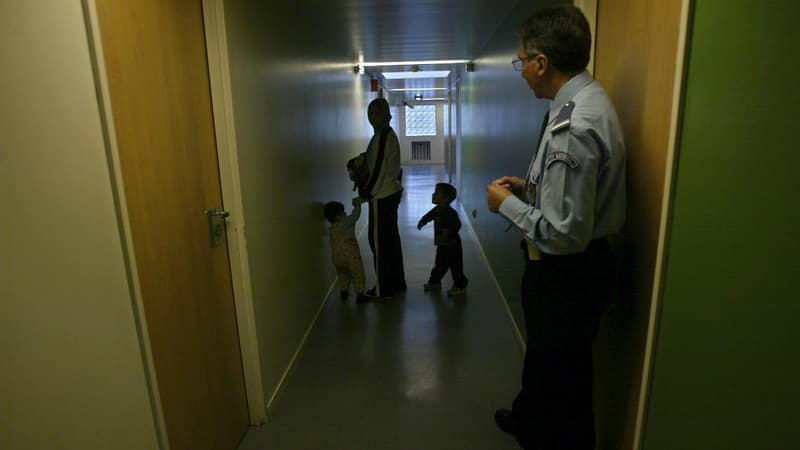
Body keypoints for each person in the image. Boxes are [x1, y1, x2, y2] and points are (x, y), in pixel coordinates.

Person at [486, 5, 626, 450]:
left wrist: (506, 206)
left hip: (566, 275)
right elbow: (575, 193)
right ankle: (528, 420)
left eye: (521, 60)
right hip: (577, 271)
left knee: (564, 386)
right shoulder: (589, 100)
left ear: (541, 62)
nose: (521, 70)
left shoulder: (573, 125)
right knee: (547, 366)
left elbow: (565, 235)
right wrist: (530, 188)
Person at [361, 97, 407, 298]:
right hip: (388, 194)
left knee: (379, 243)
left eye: (376, 112)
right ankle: (396, 283)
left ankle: (383, 288)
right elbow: (376, 160)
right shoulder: (383, 135)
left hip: (381, 197)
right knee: (390, 241)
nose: (372, 116)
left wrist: (365, 193)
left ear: (386, 114)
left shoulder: (383, 136)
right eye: (370, 112)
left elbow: (379, 169)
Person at [417, 182, 468, 296]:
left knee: (456, 267)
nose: (433, 195)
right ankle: (435, 282)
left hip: (453, 245)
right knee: (439, 264)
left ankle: (460, 285)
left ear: (445, 199)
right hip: (442, 244)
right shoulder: (437, 209)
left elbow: (457, 225)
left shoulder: (450, 213)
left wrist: (448, 231)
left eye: (436, 194)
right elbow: (428, 216)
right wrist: (422, 221)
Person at [324, 198, 370, 304]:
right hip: (350, 257)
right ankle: (360, 295)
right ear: (338, 216)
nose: (345, 213)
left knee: (342, 274)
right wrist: (357, 206)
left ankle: (343, 291)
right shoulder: (345, 223)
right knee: (357, 273)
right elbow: (355, 216)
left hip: (337, 259)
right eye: (343, 212)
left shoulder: (332, 229)